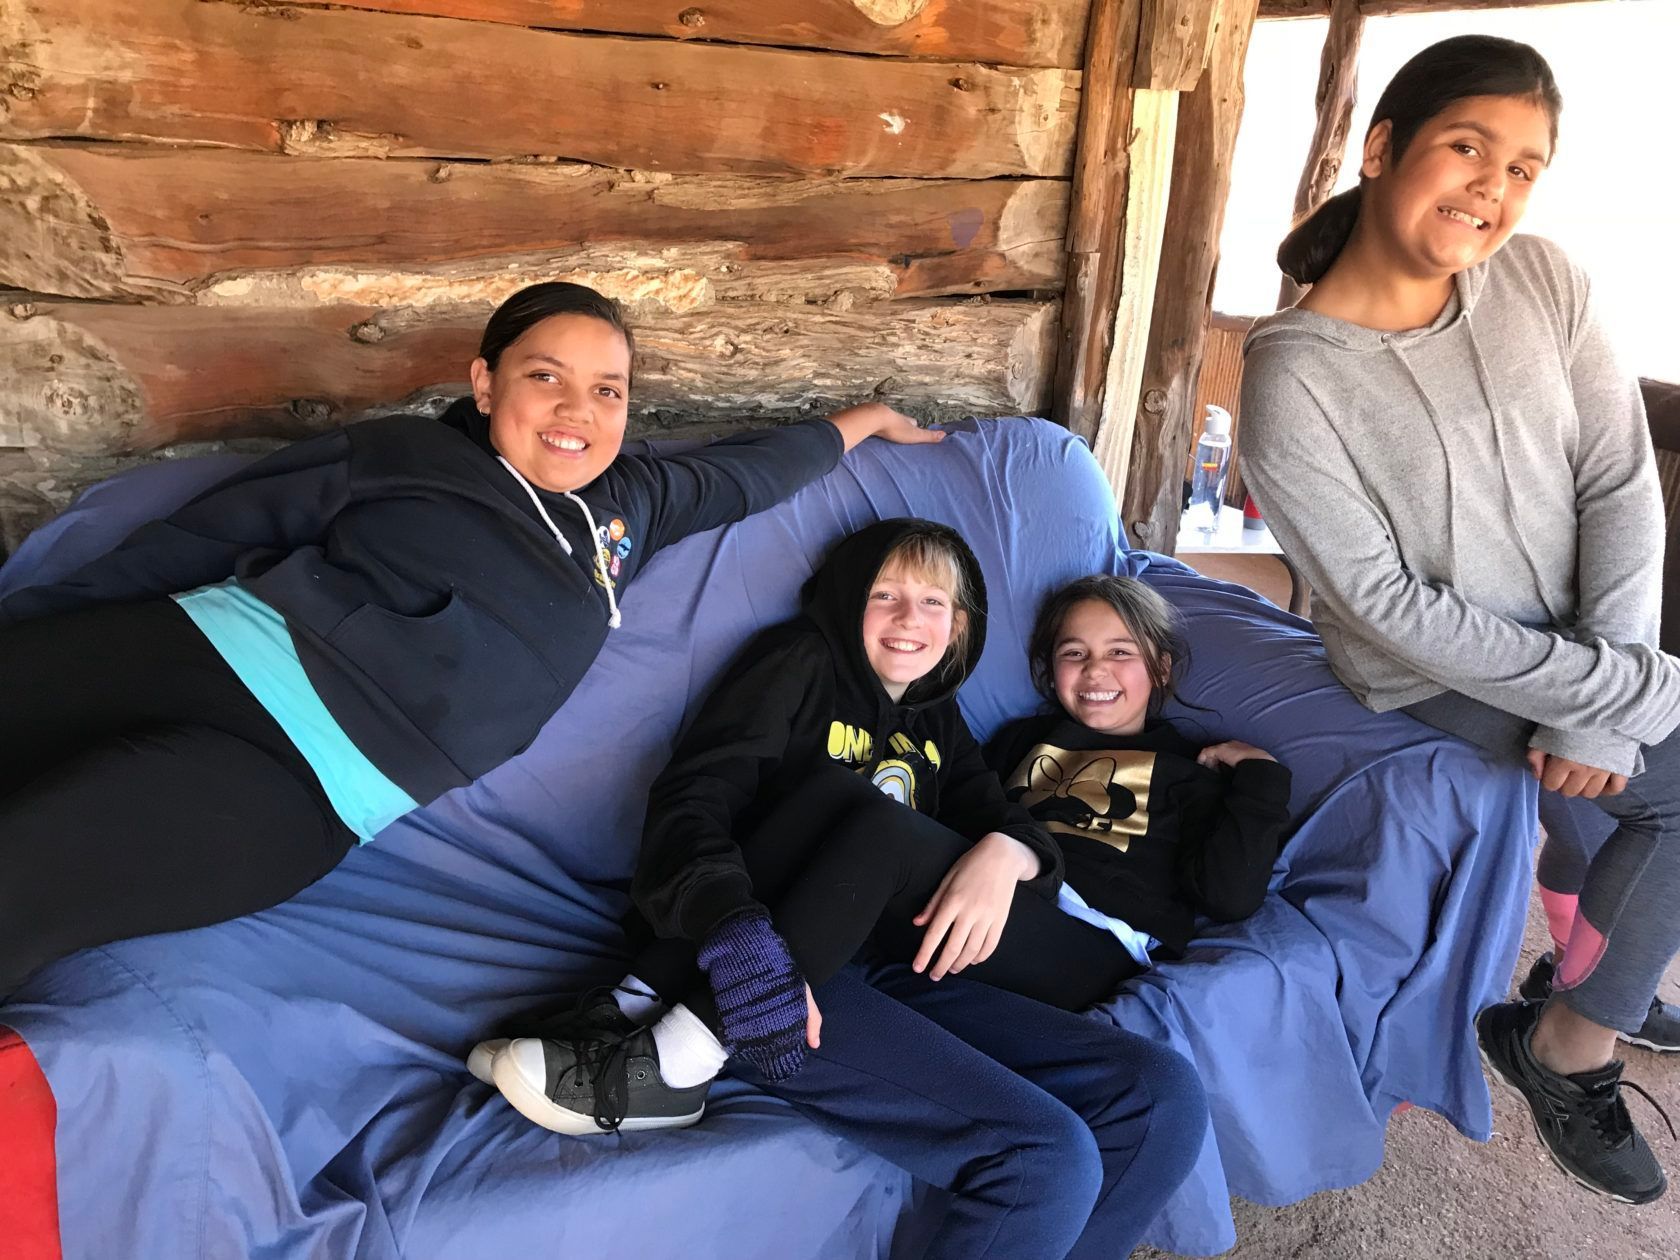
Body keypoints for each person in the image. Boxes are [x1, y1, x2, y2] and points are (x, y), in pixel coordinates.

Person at [0, 281, 939, 997]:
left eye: (607, 390)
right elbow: (200, 537)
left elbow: (756, 474)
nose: (578, 411)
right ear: (486, 383)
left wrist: (867, 421)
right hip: (196, 658)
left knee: (26, 877)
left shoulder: (633, 510)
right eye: (546, 377)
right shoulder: (402, 455)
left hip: (305, 792)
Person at [474, 519, 1207, 1260]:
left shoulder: (935, 716)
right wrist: (734, 935)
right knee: (1048, 1158)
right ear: (846, 599)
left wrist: (1008, 850)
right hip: (755, 964)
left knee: (1162, 1096)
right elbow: (692, 804)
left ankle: (644, 1019)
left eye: (932, 602)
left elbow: (1004, 819)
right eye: (884, 594)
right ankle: (674, 1057)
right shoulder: (799, 663)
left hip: (885, 963)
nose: (908, 618)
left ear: (958, 628)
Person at [1239, 34, 1679, 1204]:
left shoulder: (1542, 280)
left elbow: (1617, 482)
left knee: (1613, 771)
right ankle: (1569, 1046)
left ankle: (1593, 973)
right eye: (1467, 147)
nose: (1495, 188)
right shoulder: (1291, 378)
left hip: (1583, 637)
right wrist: (1610, 694)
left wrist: (1612, 678)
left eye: (1525, 167)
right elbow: (1384, 609)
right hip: (1429, 670)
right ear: (1383, 148)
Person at [985, 575, 1292, 969]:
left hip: (1094, 934)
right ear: (1051, 668)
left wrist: (1261, 774)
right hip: (992, 891)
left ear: (1161, 669)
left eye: (1119, 653)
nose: (1095, 670)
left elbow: (1228, 897)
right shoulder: (1021, 741)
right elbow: (964, 807)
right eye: (1075, 654)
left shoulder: (1186, 771)